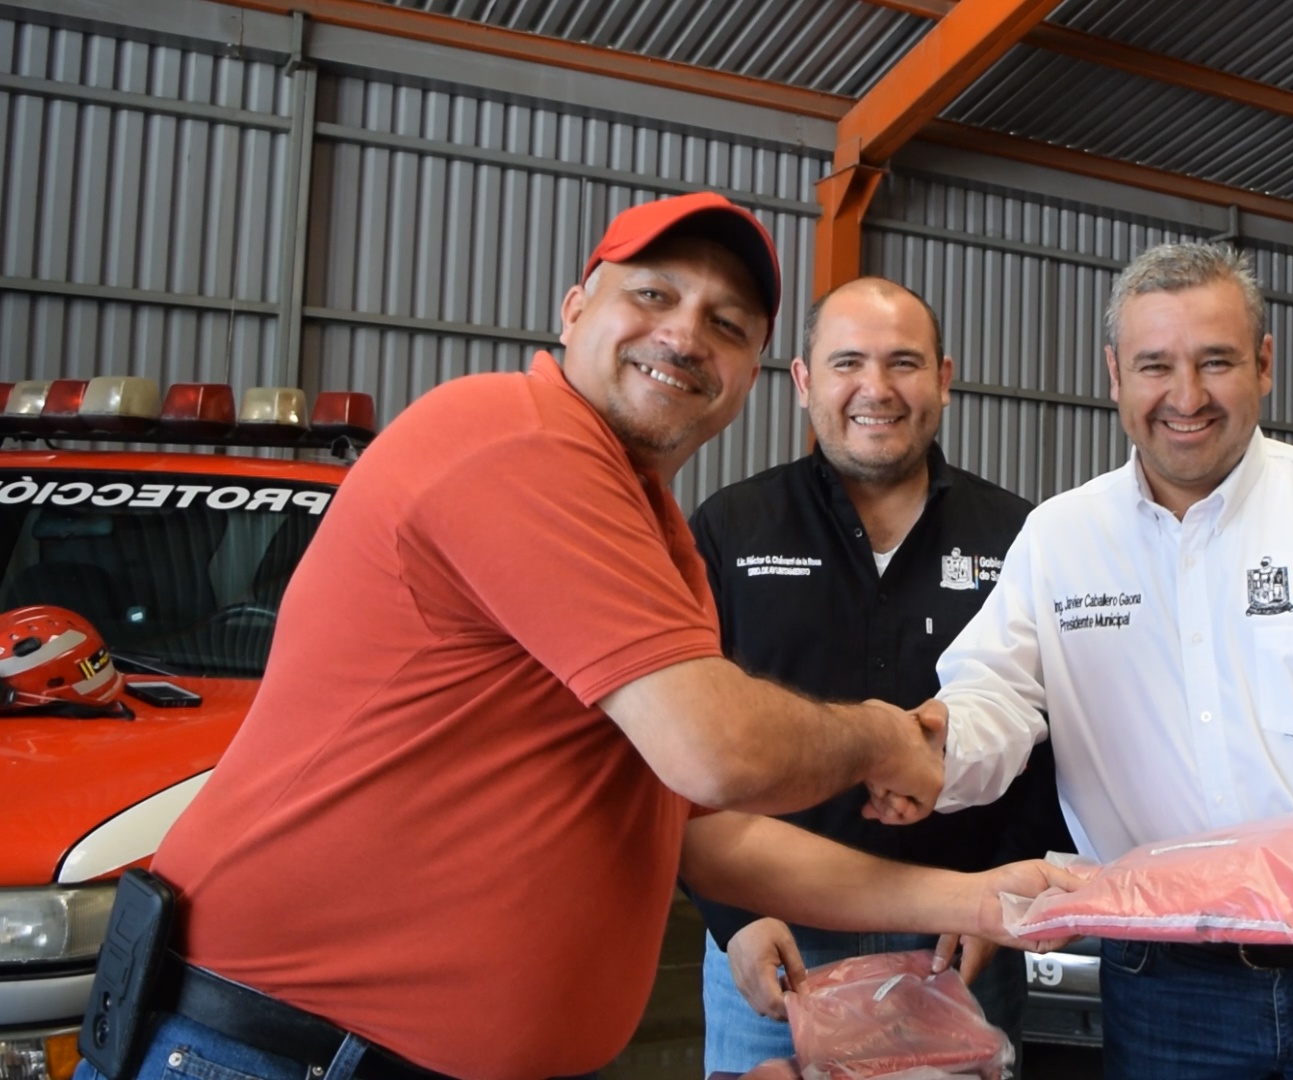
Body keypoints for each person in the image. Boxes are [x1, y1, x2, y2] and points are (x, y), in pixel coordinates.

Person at [84, 193, 1078, 1080]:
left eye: (725, 323)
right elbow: (715, 749)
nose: (685, 334)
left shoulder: (658, 537)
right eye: (652, 295)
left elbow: (706, 829)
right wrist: (885, 737)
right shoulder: (518, 436)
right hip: (281, 1046)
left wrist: (975, 901)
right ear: (573, 310)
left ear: (745, 374)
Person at [917, 241, 1293, 1078]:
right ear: (1115, 375)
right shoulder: (1061, 539)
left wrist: (1289, 876)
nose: (1186, 396)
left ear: (1264, 363)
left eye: (1216, 361)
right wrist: (930, 748)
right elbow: (993, 691)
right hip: (1167, 985)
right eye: (1155, 366)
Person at [686, 277, 1072, 1075]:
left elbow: (1058, 736)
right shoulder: (732, 527)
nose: (877, 388)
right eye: (848, 362)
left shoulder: (1022, 535)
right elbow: (684, 741)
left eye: (903, 362)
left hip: (958, 943)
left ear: (944, 379)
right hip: (776, 941)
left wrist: (992, 896)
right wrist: (733, 918)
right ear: (803, 381)